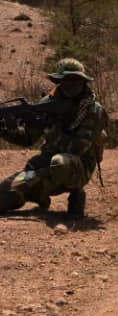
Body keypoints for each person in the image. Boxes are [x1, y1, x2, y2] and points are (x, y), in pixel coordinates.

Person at [0, 59, 108, 219]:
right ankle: (39, 196)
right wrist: (6, 130)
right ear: (58, 81)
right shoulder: (47, 104)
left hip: (78, 168)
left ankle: (77, 194)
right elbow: (27, 139)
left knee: (60, 162)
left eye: (75, 80)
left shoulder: (93, 110)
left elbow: (78, 148)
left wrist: (50, 129)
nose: (70, 85)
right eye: (66, 80)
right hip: (45, 167)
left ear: (83, 82)